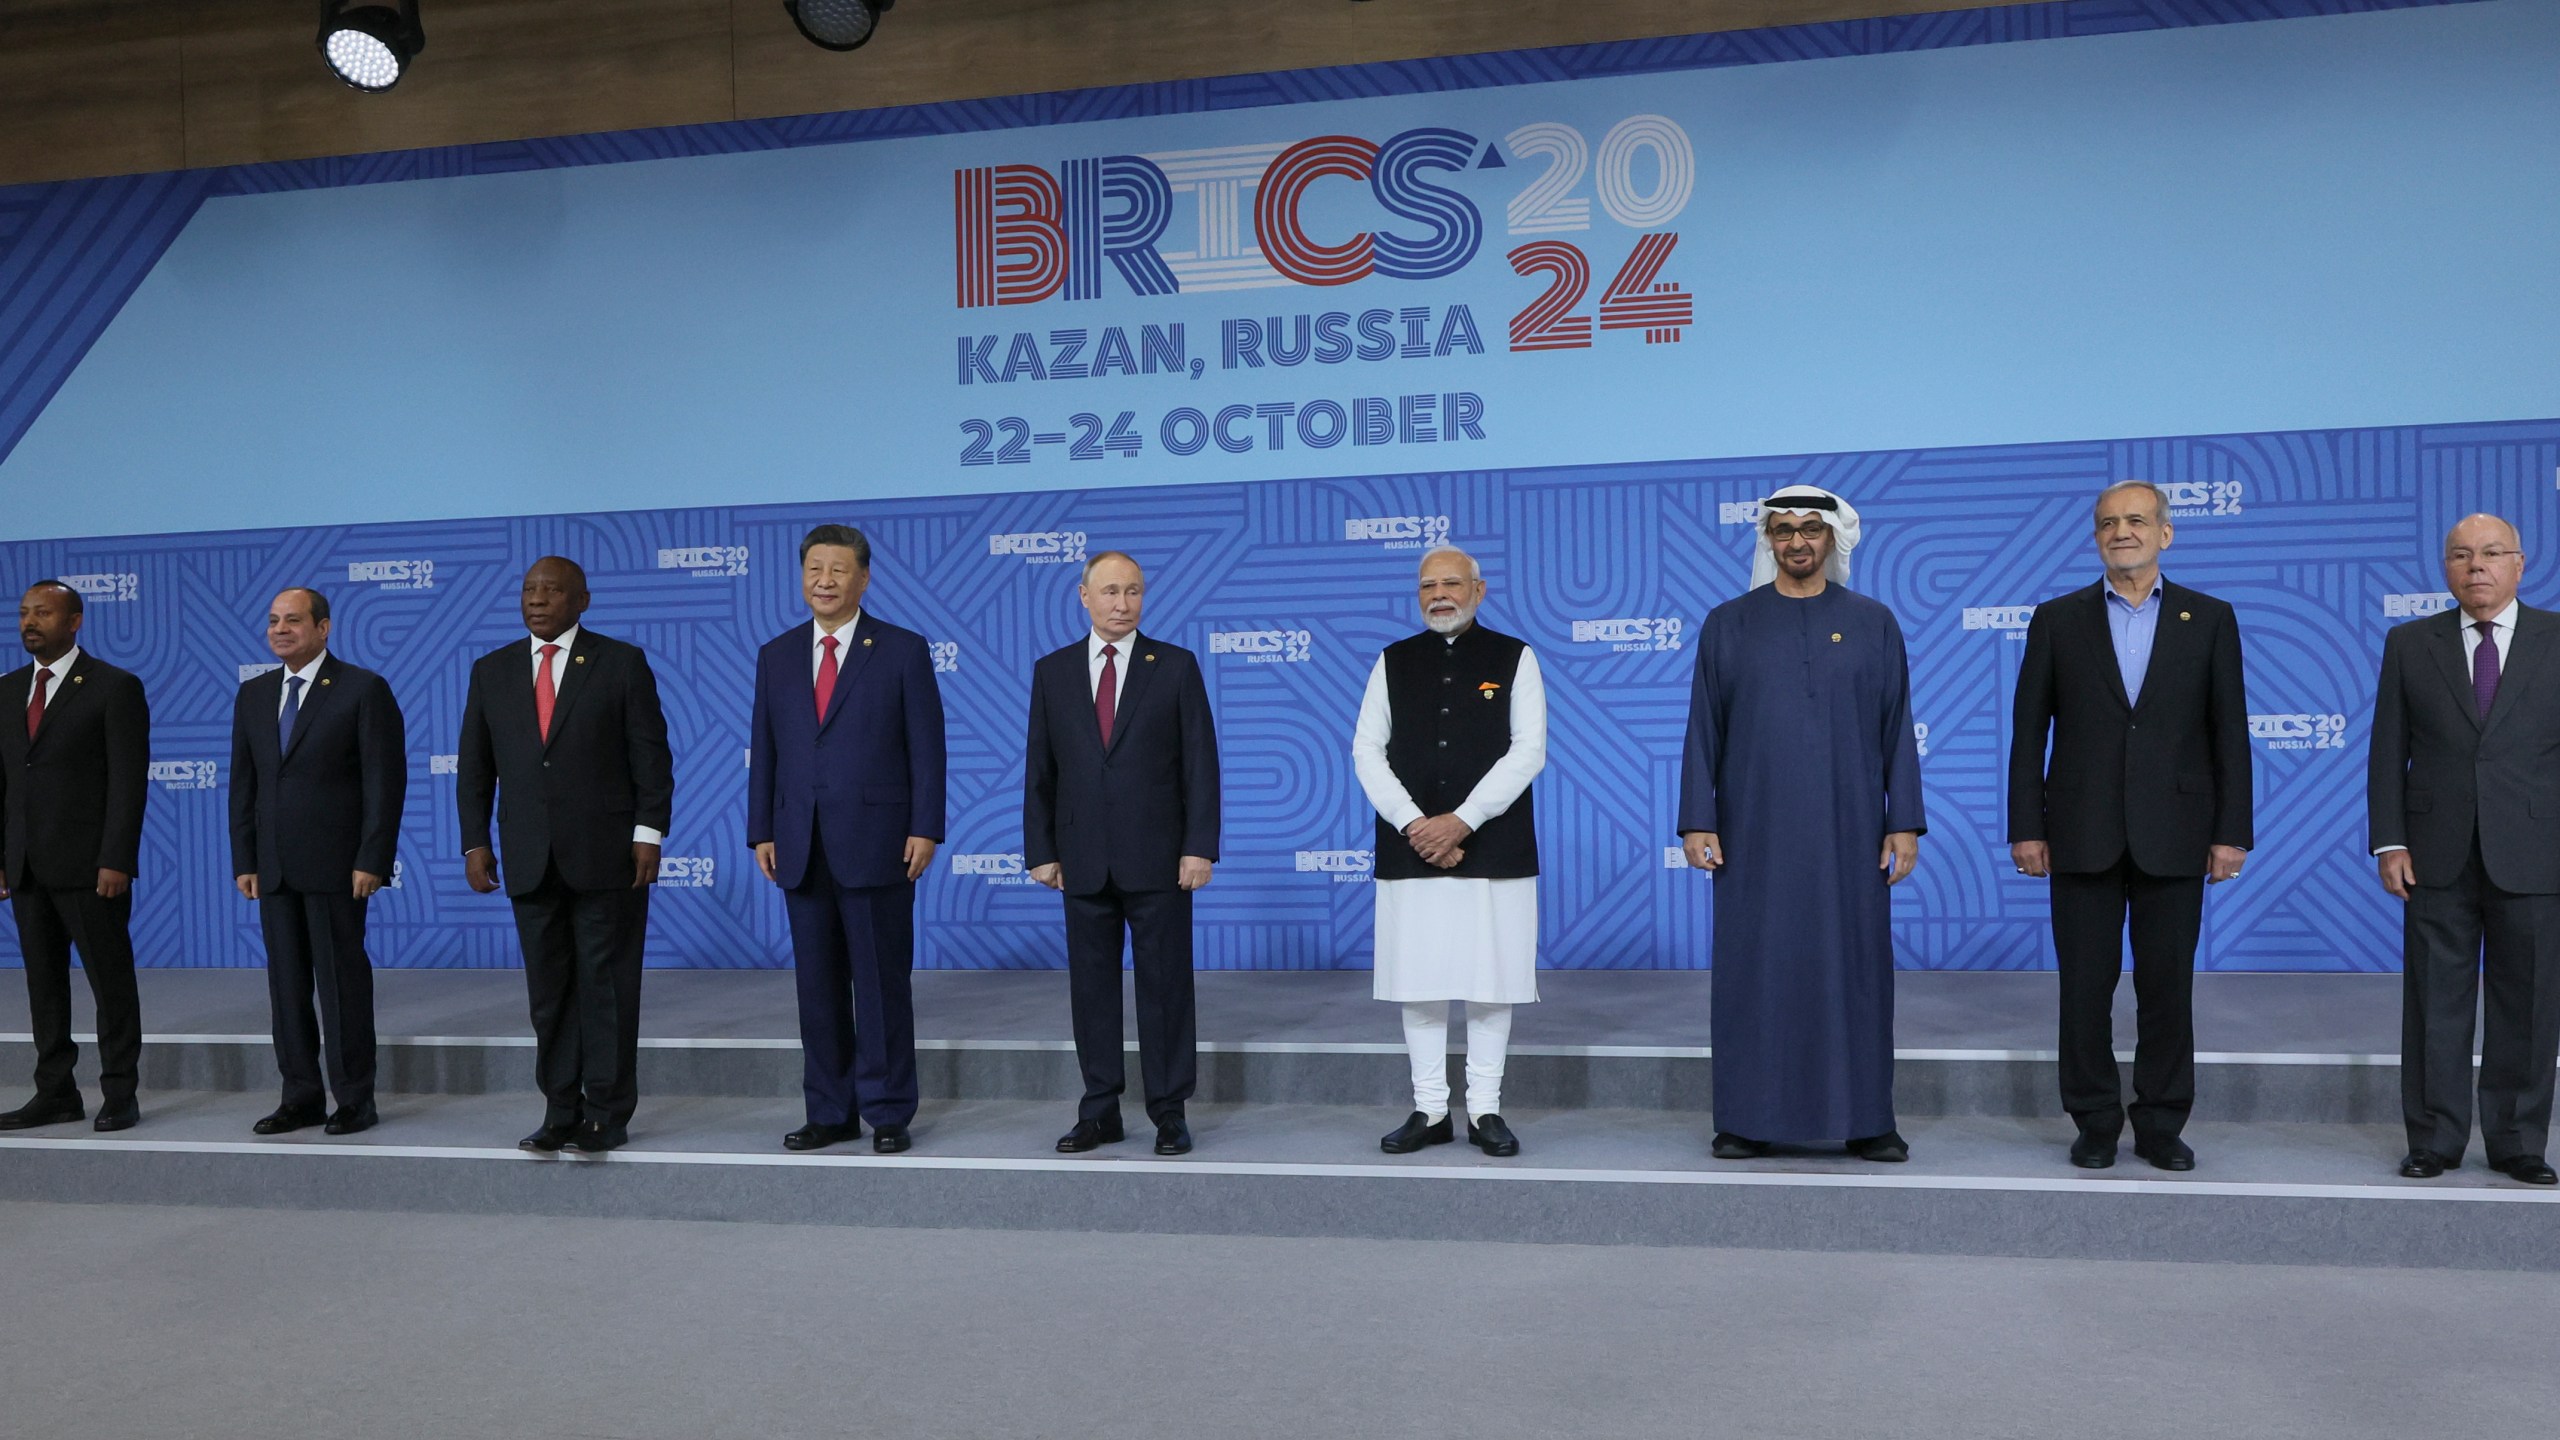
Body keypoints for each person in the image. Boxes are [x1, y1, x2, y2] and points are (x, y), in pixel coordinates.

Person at [2008, 481, 2251, 1172]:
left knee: (2167, 988)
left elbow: (2229, 731)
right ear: (2096, 537)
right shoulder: (2057, 619)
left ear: (2165, 534)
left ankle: (2161, 1123)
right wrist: (2027, 826)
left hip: (2177, 831)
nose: (2122, 531)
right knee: (2084, 988)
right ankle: (2092, 1121)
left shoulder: (2209, 618)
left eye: (2137, 520)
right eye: (2108, 523)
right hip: (2080, 831)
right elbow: (2029, 733)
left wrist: (2231, 832)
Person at [1679, 487, 1923, 1162]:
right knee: (1753, 971)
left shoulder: (1873, 622)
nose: (1796, 543)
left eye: (1809, 530)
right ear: (1769, 541)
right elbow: (1704, 730)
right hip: (1754, 831)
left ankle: (1868, 1118)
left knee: (1856, 970)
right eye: (1783, 532)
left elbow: (1897, 728)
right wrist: (1698, 819)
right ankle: (1745, 1119)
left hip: (1850, 832)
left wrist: (1902, 822)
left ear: (1832, 539)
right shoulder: (1727, 623)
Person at [457, 557, 672, 1155]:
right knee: (549, 995)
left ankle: (606, 1112)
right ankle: (559, 1110)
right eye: (529, 589)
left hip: (609, 857)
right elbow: (474, 769)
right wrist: (475, 843)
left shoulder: (621, 663)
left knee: (605, 989)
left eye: (552, 590)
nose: (538, 599)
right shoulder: (491, 671)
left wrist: (648, 834)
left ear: (582, 600)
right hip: (529, 858)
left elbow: (651, 758)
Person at [2369, 513, 2560, 1185]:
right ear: (2444, 568)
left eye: (2490, 553)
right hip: (2434, 852)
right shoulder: (2409, 642)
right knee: (2434, 1003)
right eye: (2460, 555)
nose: (2475, 566)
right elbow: (2388, 750)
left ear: (2519, 562)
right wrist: (2389, 840)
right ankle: (2435, 1139)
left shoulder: (2557, 639)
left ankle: (2518, 1142)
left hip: (2538, 852)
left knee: (2530, 1004)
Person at [749, 525, 945, 1155]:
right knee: (818, 987)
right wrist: (762, 830)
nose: (824, 582)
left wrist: (925, 826)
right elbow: (769, 751)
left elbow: (928, 750)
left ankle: (887, 1111)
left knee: (882, 986)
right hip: (799, 844)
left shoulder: (902, 649)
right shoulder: (776, 654)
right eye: (814, 570)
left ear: (864, 578)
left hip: (880, 840)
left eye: (838, 571)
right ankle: (829, 1110)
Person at [1024, 551, 1219, 1156]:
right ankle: (1100, 1110)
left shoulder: (1176, 667)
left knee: (1165, 989)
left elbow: (1200, 766)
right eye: (1109, 591)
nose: (1121, 603)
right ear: (1083, 596)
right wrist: (1041, 850)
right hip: (1082, 857)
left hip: (1161, 858)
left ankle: (1168, 1111)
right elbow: (1040, 770)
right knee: (1092, 991)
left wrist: (1198, 848)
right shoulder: (1052, 672)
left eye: (1133, 591)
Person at [1354, 545, 1546, 1159]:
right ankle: (1431, 1108)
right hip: (1412, 847)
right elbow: (1366, 751)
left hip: (1494, 845)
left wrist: (1461, 821)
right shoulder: (1392, 661)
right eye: (1428, 586)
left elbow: (1527, 752)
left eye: (1452, 584)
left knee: (1492, 983)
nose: (1440, 594)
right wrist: (1418, 825)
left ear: (1479, 591)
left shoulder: (1515, 658)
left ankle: (1486, 1109)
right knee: (1421, 981)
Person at [229, 587, 407, 1137]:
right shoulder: (254, 695)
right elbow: (244, 785)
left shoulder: (362, 689)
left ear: (324, 628)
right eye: (274, 620)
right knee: (286, 989)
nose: (281, 629)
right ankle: (300, 1096)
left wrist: (372, 856)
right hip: (275, 867)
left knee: (341, 987)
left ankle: (354, 1098)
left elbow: (385, 782)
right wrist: (246, 858)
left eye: (294, 620)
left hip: (339, 867)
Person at [0, 580, 150, 1132]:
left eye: (42, 612)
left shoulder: (113, 687)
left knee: (110, 983)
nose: (29, 622)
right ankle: (56, 1092)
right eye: (23, 614)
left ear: (75, 621)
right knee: (44, 985)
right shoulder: (6, 690)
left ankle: (120, 1093)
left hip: (92, 868)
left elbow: (128, 784)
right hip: (27, 867)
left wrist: (117, 858)